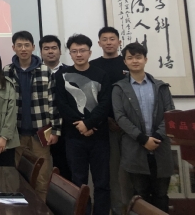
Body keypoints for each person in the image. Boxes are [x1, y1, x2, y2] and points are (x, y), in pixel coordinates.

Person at [112, 42, 175, 212]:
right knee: (140, 195)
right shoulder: (119, 88)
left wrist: (158, 137)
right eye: (130, 58)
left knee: (161, 195)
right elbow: (120, 117)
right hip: (135, 148)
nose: (135, 61)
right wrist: (142, 139)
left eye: (138, 57)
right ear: (125, 61)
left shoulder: (161, 86)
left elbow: (170, 114)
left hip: (160, 147)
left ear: (145, 59)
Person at [55, 34, 111, 215]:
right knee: (78, 182)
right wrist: (80, 125)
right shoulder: (61, 75)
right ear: (70, 54)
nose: (79, 54)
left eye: (82, 50)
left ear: (90, 52)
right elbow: (62, 104)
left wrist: (89, 124)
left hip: (99, 137)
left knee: (102, 182)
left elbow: (105, 104)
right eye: (74, 51)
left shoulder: (101, 75)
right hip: (74, 137)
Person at [3, 31, 61, 200]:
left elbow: (53, 102)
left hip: (40, 134)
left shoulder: (45, 71)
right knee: (14, 178)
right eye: (19, 45)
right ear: (13, 48)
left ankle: (40, 209)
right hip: (15, 134)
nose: (23, 49)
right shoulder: (7, 71)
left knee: (42, 179)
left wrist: (56, 131)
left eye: (27, 45)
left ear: (33, 47)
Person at [90, 27, 131, 215]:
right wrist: (105, 119)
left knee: (132, 171)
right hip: (106, 127)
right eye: (104, 39)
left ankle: (134, 209)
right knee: (111, 173)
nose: (108, 42)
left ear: (119, 42)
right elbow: (92, 99)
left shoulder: (128, 63)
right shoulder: (93, 66)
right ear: (99, 43)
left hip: (130, 128)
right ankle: (116, 210)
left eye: (112, 39)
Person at [39, 35, 72, 180]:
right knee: (40, 169)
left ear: (60, 51)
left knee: (64, 167)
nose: (50, 51)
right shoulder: (35, 72)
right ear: (40, 52)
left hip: (65, 129)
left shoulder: (70, 72)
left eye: (54, 48)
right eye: (46, 48)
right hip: (40, 128)